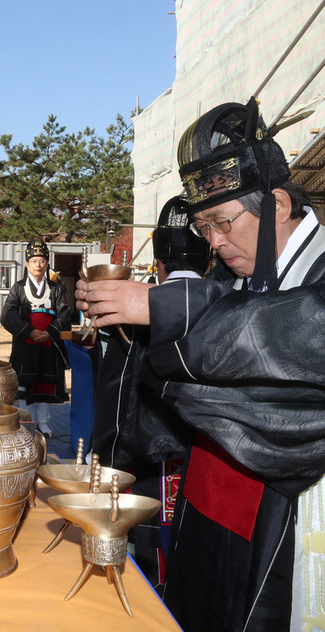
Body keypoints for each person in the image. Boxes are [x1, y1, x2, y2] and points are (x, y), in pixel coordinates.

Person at [76, 99, 325, 631]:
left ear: (277, 203)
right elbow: (174, 401)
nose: (214, 241)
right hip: (209, 505)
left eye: (223, 222)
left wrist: (163, 305)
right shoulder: (230, 287)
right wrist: (126, 329)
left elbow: (297, 330)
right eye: (205, 227)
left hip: (301, 506)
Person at [89, 196, 209, 589]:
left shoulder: (140, 312)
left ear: (158, 266)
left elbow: (116, 391)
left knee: (149, 553)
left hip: (148, 458)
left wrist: (104, 455)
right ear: (208, 263)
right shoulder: (227, 308)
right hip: (206, 459)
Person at [0, 238, 70, 435]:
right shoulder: (18, 288)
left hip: (49, 343)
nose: (38, 265)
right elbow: (8, 314)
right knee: (25, 384)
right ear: (27, 264)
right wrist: (29, 331)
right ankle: (27, 420)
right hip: (26, 344)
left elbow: (64, 313)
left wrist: (50, 332)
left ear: (47, 263)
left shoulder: (56, 288)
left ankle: (44, 422)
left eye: (42, 261)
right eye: (34, 261)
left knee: (45, 385)